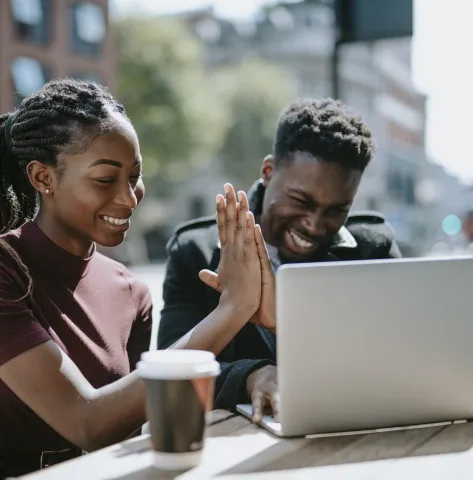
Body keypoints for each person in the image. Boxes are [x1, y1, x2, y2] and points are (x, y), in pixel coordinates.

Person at [0, 79, 263, 478]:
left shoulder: (132, 291)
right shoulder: (6, 268)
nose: (128, 197)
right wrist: (232, 310)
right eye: (106, 179)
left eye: (135, 175)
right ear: (43, 177)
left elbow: (128, 429)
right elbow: (86, 422)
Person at [158, 98, 402, 422]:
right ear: (268, 171)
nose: (315, 225)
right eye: (301, 201)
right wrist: (250, 376)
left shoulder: (374, 249)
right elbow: (170, 369)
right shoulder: (195, 253)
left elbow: (398, 357)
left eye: (336, 210)